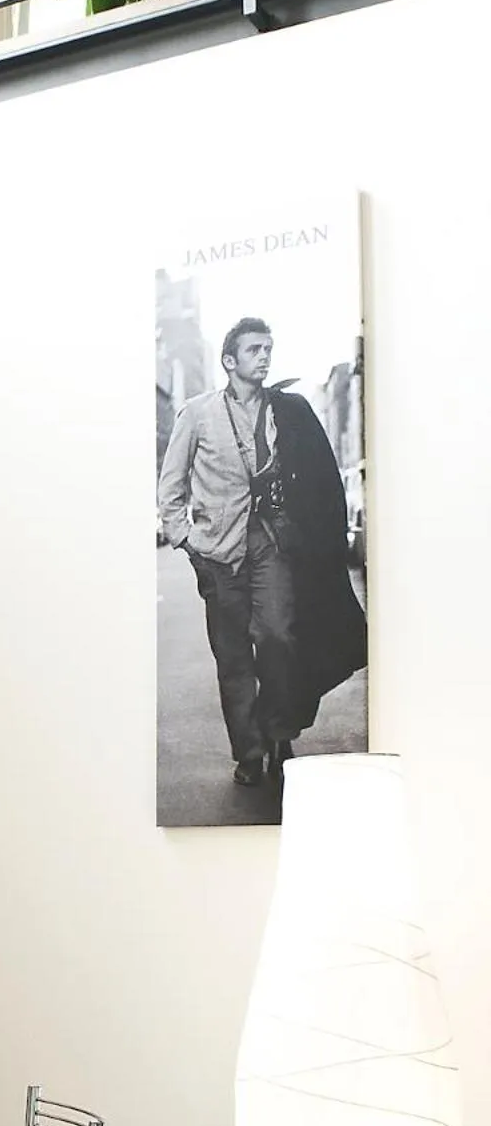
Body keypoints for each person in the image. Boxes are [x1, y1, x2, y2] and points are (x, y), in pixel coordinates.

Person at [158, 316, 367, 788]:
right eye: (254, 349)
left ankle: (278, 730)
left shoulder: (286, 410)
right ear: (229, 361)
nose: (265, 356)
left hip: (271, 545)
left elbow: (317, 474)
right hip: (217, 550)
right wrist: (185, 539)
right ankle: (249, 752)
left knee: (277, 638)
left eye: (268, 348)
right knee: (232, 657)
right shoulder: (196, 413)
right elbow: (170, 487)